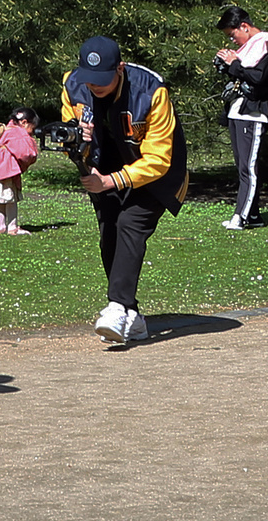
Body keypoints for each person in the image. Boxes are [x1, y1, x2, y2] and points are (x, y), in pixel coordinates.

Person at [61, 36, 188, 346]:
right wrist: (80, 142)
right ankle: (132, 317)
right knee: (109, 231)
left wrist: (112, 181)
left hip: (159, 175)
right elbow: (68, 133)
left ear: (119, 68)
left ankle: (117, 307)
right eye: (90, 80)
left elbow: (159, 159)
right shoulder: (72, 84)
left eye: (102, 79)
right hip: (104, 167)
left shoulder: (152, 91)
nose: (95, 86)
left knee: (130, 224)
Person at [214, 6, 268, 230]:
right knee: (242, 165)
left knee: (249, 168)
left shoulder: (267, 47)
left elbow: (259, 78)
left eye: (233, 35)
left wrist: (234, 65)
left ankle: (240, 217)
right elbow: (241, 74)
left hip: (253, 114)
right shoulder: (246, 51)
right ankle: (252, 216)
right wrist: (226, 65)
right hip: (237, 111)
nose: (233, 41)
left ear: (244, 26)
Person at [0, 107, 40, 234]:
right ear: (24, 122)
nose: (31, 132)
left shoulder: (6, 130)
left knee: (1, 199)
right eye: (32, 128)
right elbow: (26, 153)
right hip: (6, 169)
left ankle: (1, 226)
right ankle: (12, 227)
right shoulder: (17, 132)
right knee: (10, 198)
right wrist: (33, 156)